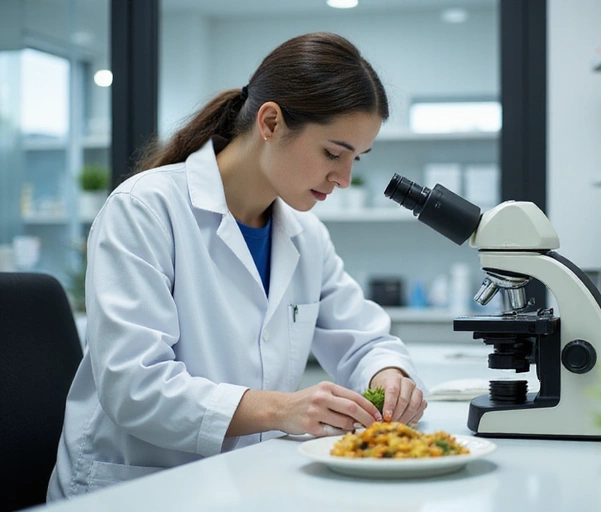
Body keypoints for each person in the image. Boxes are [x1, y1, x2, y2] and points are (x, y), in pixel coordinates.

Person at [48, 32, 428, 501]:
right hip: (138, 491)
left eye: (357, 158)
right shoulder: (145, 209)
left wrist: (389, 375)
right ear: (270, 122)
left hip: (247, 484)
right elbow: (135, 385)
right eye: (333, 152)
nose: (345, 179)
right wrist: (282, 410)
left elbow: (363, 339)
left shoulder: (305, 237)